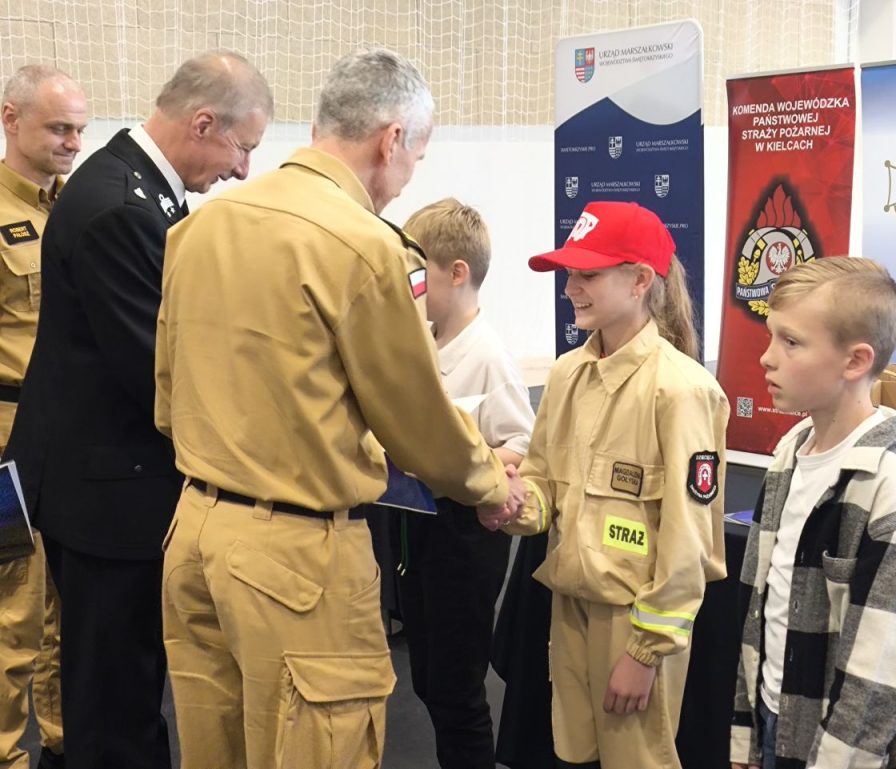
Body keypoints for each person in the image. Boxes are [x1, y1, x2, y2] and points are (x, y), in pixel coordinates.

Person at [156, 49, 523, 769]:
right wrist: (489, 483)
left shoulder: (201, 226)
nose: (407, 178)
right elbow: (418, 422)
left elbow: (168, 398)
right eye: (415, 158)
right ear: (391, 140)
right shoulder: (364, 247)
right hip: (296, 560)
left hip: (194, 535)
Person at [2, 51, 271, 769]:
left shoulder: (139, 190)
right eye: (243, 148)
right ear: (203, 123)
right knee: (114, 698)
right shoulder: (120, 206)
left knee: (115, 683)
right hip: (108, 496)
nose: (243, 170)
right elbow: (162, 372)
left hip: (110, 483)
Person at [505, 200, 730, 769]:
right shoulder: (567, 374)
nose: (570, 288)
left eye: (588, 273)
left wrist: (644, 652)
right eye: (569, 273)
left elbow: (688, 542)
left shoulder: (682, 390)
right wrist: (508, 503)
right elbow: (543, 486)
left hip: (634, 620)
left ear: (639, 281)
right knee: (571, 755)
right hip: (570, 606)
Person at [729, 258, 896, 769]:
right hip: (775, 720)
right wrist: (745, 734)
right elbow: (761, 610)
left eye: (791, 342)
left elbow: (875, 690)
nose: (767, 358)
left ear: (855, 361)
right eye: (771, 337)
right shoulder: (791, 453)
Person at [396, 198, 535, 769]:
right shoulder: (426, 341)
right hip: (418, 528)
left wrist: (457, 462)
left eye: (418, 272)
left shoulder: (488, 356)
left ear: (457, 273)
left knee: (458, 690)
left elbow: (522, 444)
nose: (409, 286)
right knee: (428, 679)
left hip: (464, 536)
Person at [0, 64, 86, 769]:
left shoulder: (78, 209)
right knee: (12, 612)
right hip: (7, 439)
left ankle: (64, 744)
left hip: (74, 440)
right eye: (59, 128)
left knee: (68, 608)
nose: (73, 143)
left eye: (79, 130)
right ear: (10, 119)